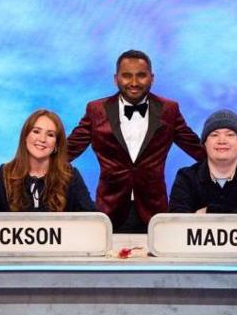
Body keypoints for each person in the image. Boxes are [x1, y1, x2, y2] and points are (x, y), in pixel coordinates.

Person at [68, 49, 205, 233]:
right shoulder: (96, 110)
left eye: (141, 75)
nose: (133, 82)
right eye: (126, 76)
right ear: (115, 79)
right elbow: (68, 151)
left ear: (152, 78)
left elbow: (198, 150)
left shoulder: (169, 110)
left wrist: (233, 172)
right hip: (108, 210)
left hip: (155, 212)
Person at [0, 109, 94, 212]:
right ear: (25, 137)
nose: (42, 139)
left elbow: (92, 220)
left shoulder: (70, 175)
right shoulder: (5, 173)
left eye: (50, 135)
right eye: (36, 131)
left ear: (57, 144)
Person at [169, 109, 237, 214]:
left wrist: (210, 211)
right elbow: (177, 217)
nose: (222, 141)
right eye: (214, 135)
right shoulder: (186, 177)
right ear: (204, 143)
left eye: (230, 135)